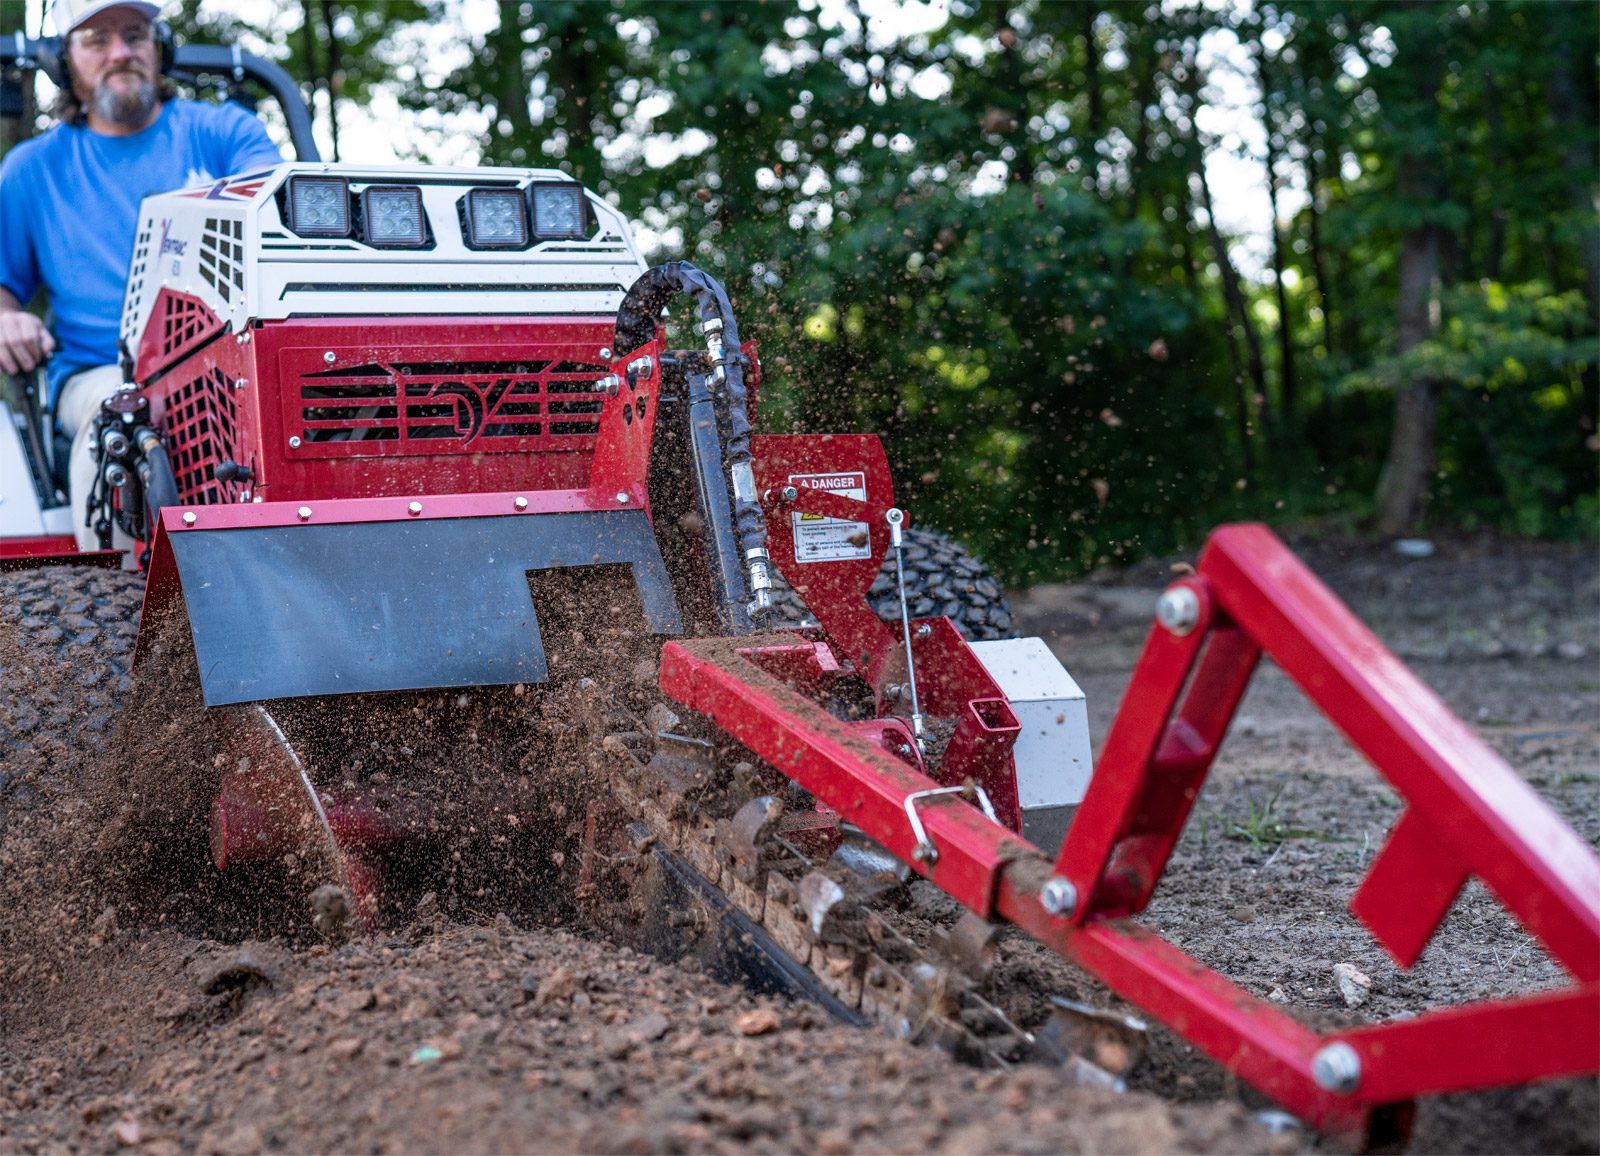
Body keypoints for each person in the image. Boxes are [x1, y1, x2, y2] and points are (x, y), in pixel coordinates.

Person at [0, 0, 281, 551]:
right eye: (97, 40)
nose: (121, 52)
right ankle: (126, 626)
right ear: (64, 61)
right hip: (102, 372)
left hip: (236, 359)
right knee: (123, 429)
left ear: (160, 47)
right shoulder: (31, 171)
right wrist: (9, 320)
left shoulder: (225, 134)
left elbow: (279, 232)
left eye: (134, 35)